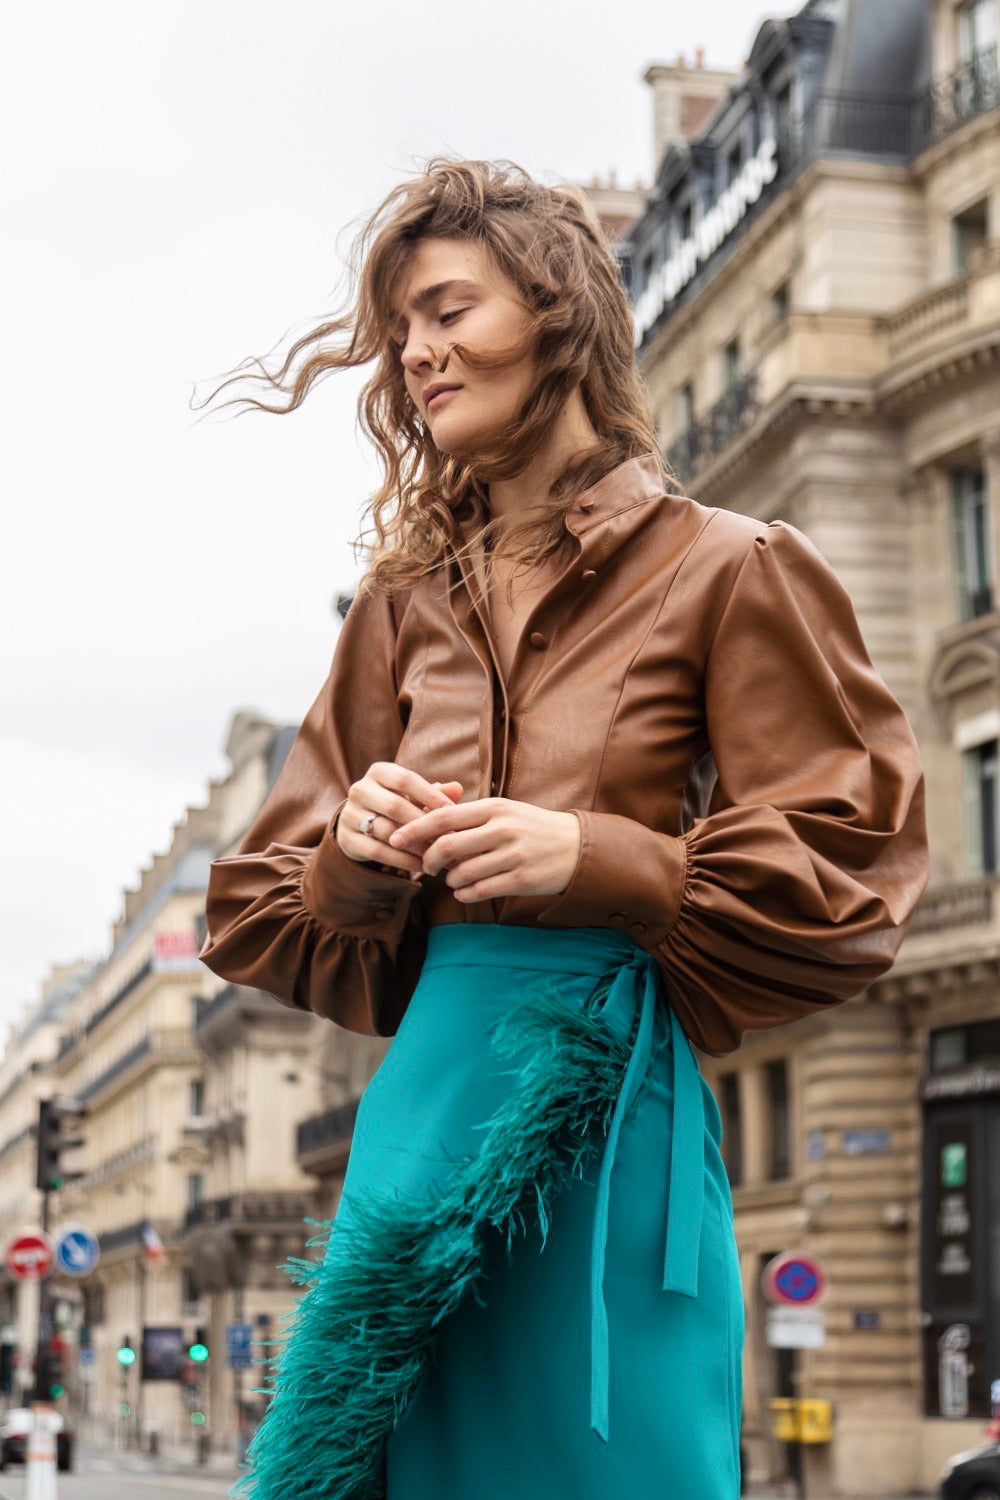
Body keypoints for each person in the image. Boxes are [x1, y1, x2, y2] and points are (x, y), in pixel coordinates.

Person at [199, 158, 930, 1500]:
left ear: (557, 314)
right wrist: (355, 857)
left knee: (619, 1458)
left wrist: (603, 860)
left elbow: (855, 860)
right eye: (401, 331)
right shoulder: (398, 608)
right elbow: (249, 906)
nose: (417, 354)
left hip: (605, 1109)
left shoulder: (729, 564)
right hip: (422, 1112)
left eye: (448, 310)